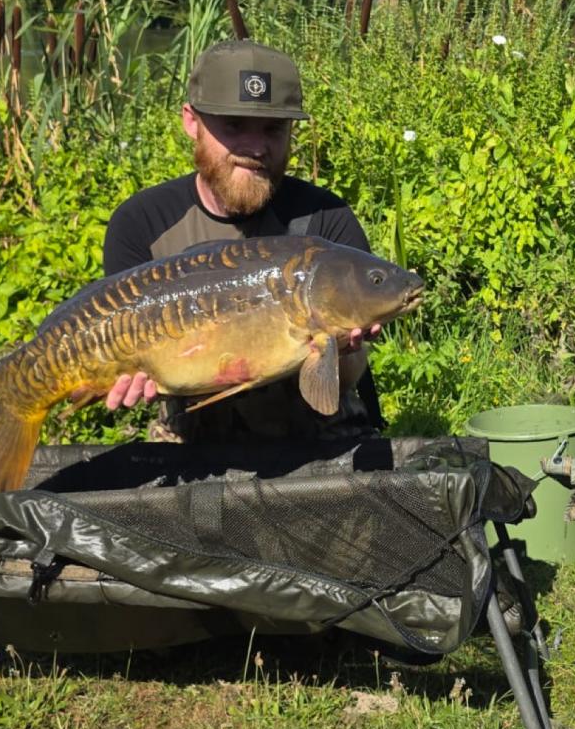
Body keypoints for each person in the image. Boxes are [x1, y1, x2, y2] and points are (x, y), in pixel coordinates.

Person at [100, 38, 384, 443]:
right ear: (191, 122)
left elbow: (344, 383)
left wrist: (347, 349)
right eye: (233, 126)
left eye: (272, 129)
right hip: (193, 438)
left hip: (318, 433)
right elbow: (131, 361)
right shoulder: (142, 223)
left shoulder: (325, 220)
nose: (255, 148)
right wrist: (122, 376)